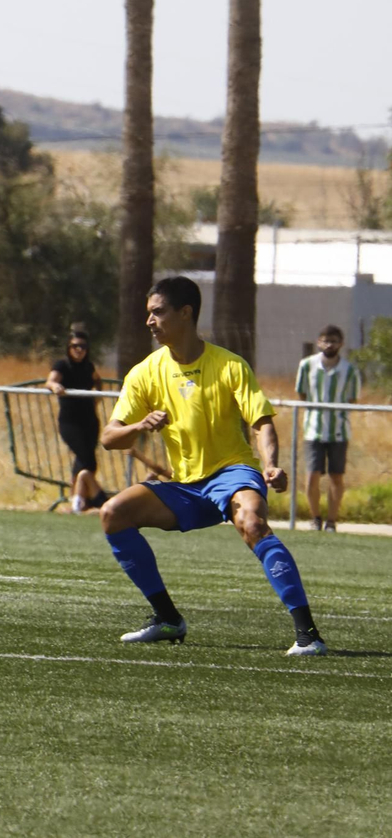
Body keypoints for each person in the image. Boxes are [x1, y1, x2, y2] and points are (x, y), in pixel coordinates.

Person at [99, 276, 326, 656]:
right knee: (112, 513)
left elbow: (261, 422)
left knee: (252, 523)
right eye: (148, 314)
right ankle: (168, 619)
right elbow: (109, 437)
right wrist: (140, 426)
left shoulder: (229, 365)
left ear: (185, 313)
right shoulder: (144, 372)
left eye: (157, 312)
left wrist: (270, 465)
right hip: (183, 487)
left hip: (232, 473)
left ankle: (308, 635)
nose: (149, 321)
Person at [294, 324, 361, 533]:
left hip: (339, 430)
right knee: (312, 475)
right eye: (325, 340)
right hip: (313, 429)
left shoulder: (349, 370)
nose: (329, 344)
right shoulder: (307, 365)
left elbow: (352, 398)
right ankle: (315, 518)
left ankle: (332, 521)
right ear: (318, 342)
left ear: (340, 344)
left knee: (336, 476)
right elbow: (302, 393)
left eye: (333, 341)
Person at [46, 328, 108, 514]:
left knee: (85, 461)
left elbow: (98, 379)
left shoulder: (89, 366)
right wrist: (55, 386)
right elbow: (50, 381)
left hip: (89, 419)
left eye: (82, 346)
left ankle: (79, 500)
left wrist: (98, 393)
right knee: (86, 458)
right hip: (70, 421)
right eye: (75, 346)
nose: (79, 350)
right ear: (69, 347)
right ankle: (88, 500)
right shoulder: (62, 365)